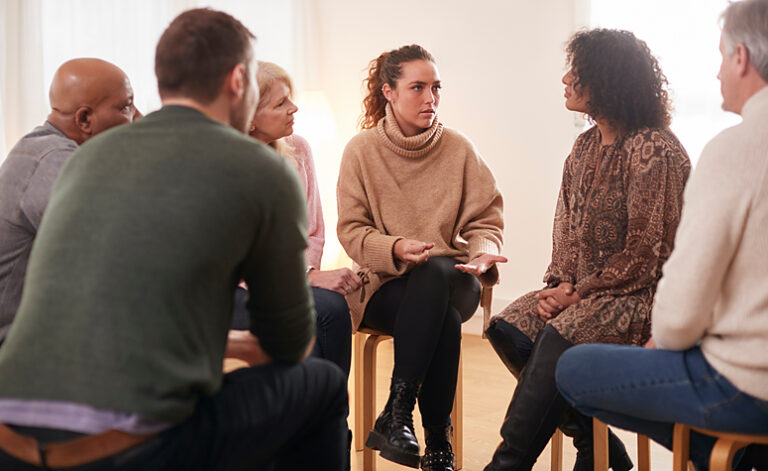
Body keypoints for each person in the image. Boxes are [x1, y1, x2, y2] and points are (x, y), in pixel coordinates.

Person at [0, 8, 347, 471]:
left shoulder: (87, 157)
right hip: (118, 449)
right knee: (319, 383)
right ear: (238, 82)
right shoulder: (262, 169)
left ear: (160, 82)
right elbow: (289, 343)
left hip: (10, 435)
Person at [556, 2, 768, 470]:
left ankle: (727, 455)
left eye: (718, 57)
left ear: (741, 58)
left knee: (571, 368)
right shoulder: (584, 147)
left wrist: (668, 334)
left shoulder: (731, 150)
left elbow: (677, 311)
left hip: (747, 386)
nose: (715, 74)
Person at [483, 29, 691, 471]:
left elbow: (646, 252)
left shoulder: (655, 148)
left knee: (560, 334)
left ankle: (506, 464)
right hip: (586, 293)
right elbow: (567, 231)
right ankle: (600, 450)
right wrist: (559, 284)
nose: (565, 78)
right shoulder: (584, 146)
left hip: (642, 297)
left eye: (575, 71)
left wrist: (578, 295)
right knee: (510, 329)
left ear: (605, 78)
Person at [337, 44, 505, 471]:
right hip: (388, 285)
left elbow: (486, 220)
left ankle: (397, 412)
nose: (430, 98)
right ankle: (438, 446)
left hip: (457, 275)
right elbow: (352, 230)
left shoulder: (459, 149)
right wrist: (394, 247)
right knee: (442, 319)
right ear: (389, 92)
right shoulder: (361, 151)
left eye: (435, 88)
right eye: (417, 88)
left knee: (435, 274)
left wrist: (485, 254)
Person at [231, 60, 359, 378]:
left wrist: (304, 273)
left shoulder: (298, 149)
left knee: (332, 307)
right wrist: (303, 275)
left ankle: (331, 423)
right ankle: (308, 420)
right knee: (307, 316)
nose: (295, 107)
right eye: (281, 102)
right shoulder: (223, 165)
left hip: (285, 279)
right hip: (232, 288)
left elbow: (313, 231)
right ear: (249, 120)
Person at [0, 58, 137, 342]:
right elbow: (118, 250)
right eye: (126, 106)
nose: (137, 116)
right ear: (84, 119)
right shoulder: (54, 162)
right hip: (18, 354)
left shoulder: (42, 149)